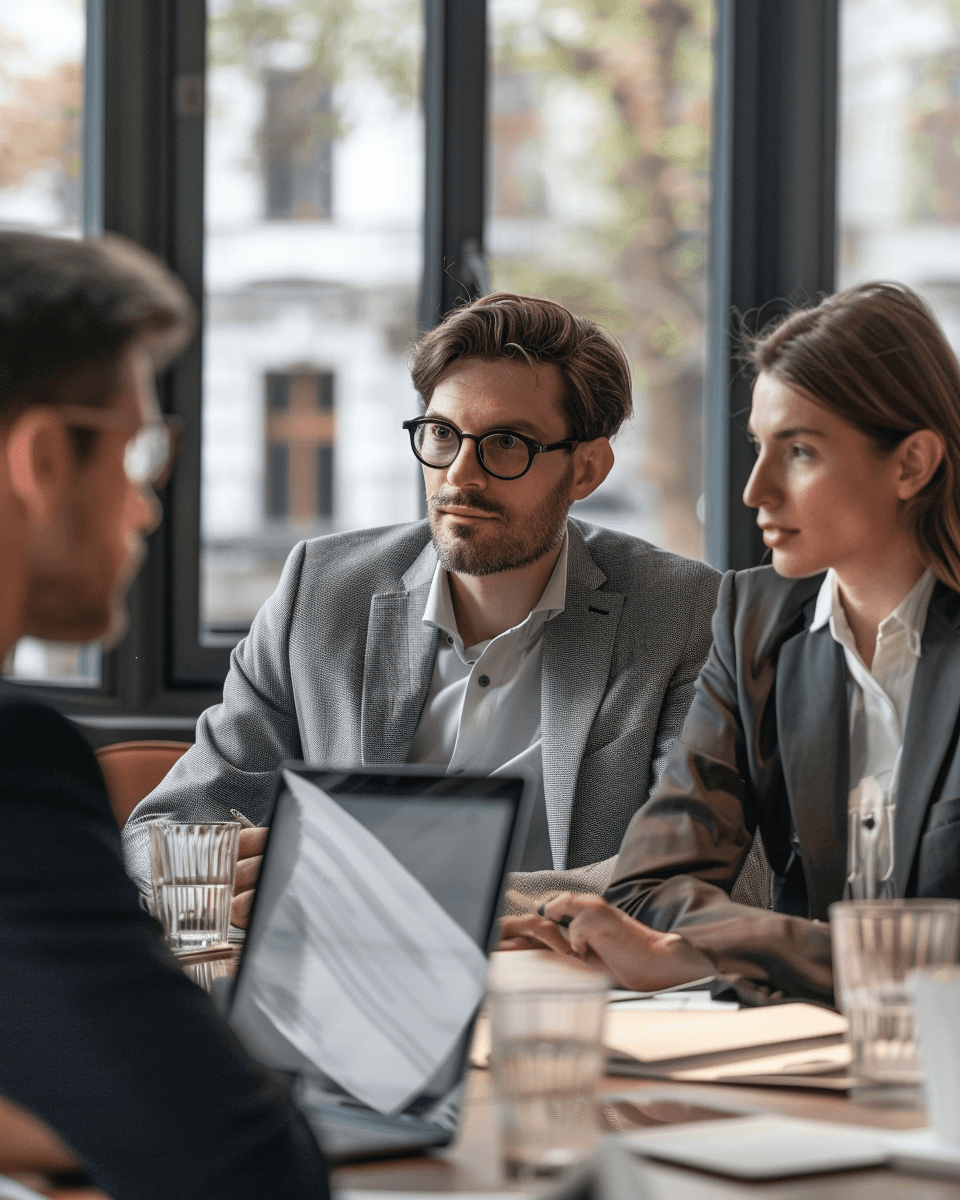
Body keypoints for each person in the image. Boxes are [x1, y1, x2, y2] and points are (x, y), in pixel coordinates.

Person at [121, 292, 720, 925]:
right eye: (441, 434)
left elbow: (706, 872)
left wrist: (409, 888)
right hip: (345, 992)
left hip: (568, 994)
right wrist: (233, 871)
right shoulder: (321, 593)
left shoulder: (681, 613)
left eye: (506, 444)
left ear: (586, 470)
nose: (460, 476)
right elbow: (162, 828)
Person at [502, 281, 960, 1003]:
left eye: (800, 451)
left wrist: (701, 953)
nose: (754, 490)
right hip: (804, 1053)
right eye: (758, 447)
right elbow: (649, 888)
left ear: (911, 464)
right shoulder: (756, 618)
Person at [0, 230, 328, 1199]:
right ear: (46, 457)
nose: (146, 508)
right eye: (139, 450)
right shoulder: (16, 768)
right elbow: (250, 1176)